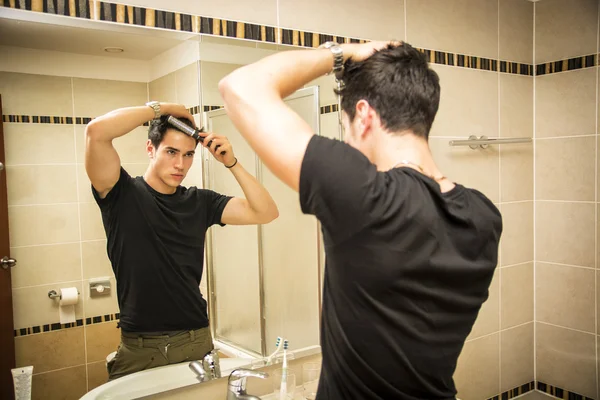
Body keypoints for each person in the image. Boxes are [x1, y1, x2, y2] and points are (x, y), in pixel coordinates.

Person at [218, 41, 502, 399]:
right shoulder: (484, 216)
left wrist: (343, 53)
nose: (347, 140)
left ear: (364, 115)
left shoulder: (368, 198)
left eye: (345, 126)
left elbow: (239, 87)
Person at [84, 102, 279, 380]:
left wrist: (231, 163)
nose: (180, 164)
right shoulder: (120, 193)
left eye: (188, 155)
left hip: (194, 341)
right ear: (150, 149)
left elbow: (266, 211)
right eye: (171, 152)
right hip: (139, 348)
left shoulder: (199, 202)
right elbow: (96, 131)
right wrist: (164, 108)